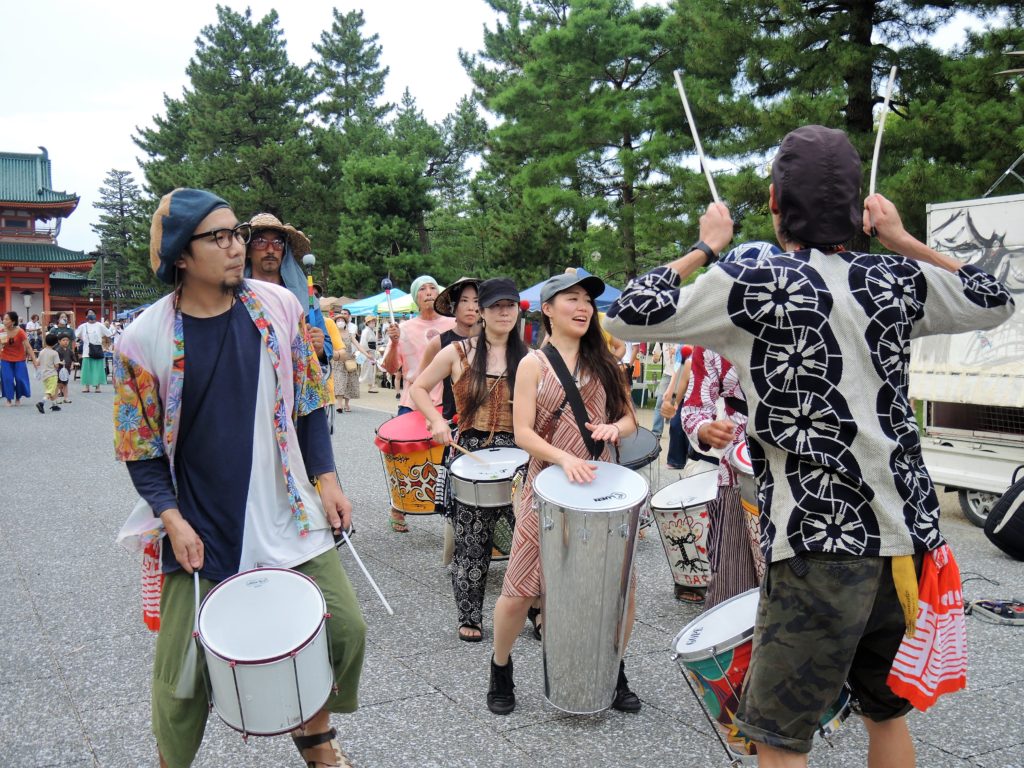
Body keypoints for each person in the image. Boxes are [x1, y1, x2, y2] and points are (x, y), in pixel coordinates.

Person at [605, 125, 1014, 766]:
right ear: (860, 209)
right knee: (885, 714)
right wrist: (904, 239)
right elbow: (995, 299)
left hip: (819, 538)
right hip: (906, 536)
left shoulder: (753, 281)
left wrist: (704, 248)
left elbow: (628, 312)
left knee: (778, 736)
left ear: (774, 202)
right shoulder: (893, 278)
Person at [113, 188, 365, 768]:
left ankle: (316, 737)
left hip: (285, 510)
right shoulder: (142, 340)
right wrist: (170, 518)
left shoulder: (278, 308)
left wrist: (326, 478)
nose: (236, 248)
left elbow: (308, 401)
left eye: (238, 235)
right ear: (181, 254)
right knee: (181, 677)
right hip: (199, 521)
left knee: (344, 628)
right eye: (219, 237)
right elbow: (140, 448)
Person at [488, 271, 641, 716]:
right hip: (547, 489)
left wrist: (617, 427)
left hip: (604, 490)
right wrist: (562, 457)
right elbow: (521, 434)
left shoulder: (606, 361)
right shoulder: (533, 363)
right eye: (570, 299)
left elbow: (630, 418)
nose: (582, 307)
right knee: (519, 590)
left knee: (619, 589)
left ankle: (614, 668)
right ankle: (501, 667)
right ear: (547, 309)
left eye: (587, 301)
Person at [411, 278, 526, 643]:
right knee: (472, 538)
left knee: (530, 539)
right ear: (482, 312)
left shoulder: (532, 357)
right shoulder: (458, 352)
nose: (504, 312)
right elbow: (417, 387)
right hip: (471, 450)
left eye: (510, 305)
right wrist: (436, 420)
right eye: (495, 306)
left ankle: (536, 611)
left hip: (523, 452)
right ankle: (470, 614)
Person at [681, 339, 768, 609]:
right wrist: (706, 429)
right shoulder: (715, 339)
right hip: (739, 472)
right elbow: (694, 407)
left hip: (807, 473)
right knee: (734, 581)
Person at [381, 275, 455, 532]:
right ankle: (398, 506)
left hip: (448, 401)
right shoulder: (404, 328)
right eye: (421, 289)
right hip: (414, 400)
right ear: (415, 298)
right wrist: (393, 343)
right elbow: (391, 368)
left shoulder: (455, 324)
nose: (428, 292)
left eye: (432, 287)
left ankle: (455, 509)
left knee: (449, 456)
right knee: (402, 455)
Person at [244, 212, 330, 362]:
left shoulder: (303, 299)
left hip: (290, 381)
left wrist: (320, 348)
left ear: (284, 251)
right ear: (248, 250)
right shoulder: (233, 295)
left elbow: (327, 348)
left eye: (277, 242)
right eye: (260, 242)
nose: (270, 249)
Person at [421, 277, 481, 423]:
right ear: (453, 307)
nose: (471, 307)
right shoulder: (439, 343)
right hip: (453, 424)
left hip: (488, 425)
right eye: (464, 300)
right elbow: (420, 385)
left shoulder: (492, 341)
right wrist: (431, 417)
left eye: (477, 301)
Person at [332, 309, 369, 413]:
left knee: (350, 382)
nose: (340, 322)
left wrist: (367, 354)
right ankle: (339, 405)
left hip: (349, 361)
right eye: (338, 320)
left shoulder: (350, 334)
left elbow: (358, 345)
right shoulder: (333, 335)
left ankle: (347, 404)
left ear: (345, 322)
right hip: (338, 361)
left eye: (342, 320)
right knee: (339, 381)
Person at [1, 311, 39, 405]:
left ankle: (18, 397)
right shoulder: (2, 331)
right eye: (4, 319)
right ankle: (9, 399)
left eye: (6, 319)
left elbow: (28, 347)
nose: (4, 321)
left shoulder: (20, 332)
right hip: (5, 358)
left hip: (19, 358)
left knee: (20, 378)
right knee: (7, 378)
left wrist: (34, 361)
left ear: (13, 321)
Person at [76, 310, 113, 393]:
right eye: (89, 314)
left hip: (97, 349)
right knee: (87, 369)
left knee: (97, 368)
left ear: (96, 315)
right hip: (86, 350)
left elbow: (109, 334)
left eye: (93, 313)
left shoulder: (100, 325)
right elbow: (77, 335)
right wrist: (85, 340)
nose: (91, 315)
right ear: (86, 316)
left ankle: (97, 386)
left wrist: (103, 342)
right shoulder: (83, 326)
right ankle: (86, 386)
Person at [34, 333, 62, 413]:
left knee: (50, 389)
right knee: (50, 390)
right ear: (56, 343)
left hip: (44, 375)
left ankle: (54, 405)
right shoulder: (54, 353)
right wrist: (60, 363)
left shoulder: (42, 352)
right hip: (52, 374)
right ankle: (41, 403)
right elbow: (56, 365)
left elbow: (38, 362)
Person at [358, 315, 379, 392]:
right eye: (372, 321)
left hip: (371, 352)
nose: (373, 323)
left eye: (374, 321)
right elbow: (363, 343)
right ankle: (359, 384)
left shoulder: (370, 330)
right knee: (365, 370)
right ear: (368, 323)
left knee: (370, 370)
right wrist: (368, 352)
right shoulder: (366, 331)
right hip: (368, 353)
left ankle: (371, 386)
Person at [55, 335, 74, 404]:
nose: (66, 342)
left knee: (65, 384)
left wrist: (72, 364)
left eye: (67, 340)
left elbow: (72, 358)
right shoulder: (57, 350)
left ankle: (66, 398)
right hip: (59, 369)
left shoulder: (70, 350)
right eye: (63, 340)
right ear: (59, 341)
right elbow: (55, 360)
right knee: (58, 384)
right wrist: (59, 363)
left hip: (67, 369)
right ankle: (56, 398)